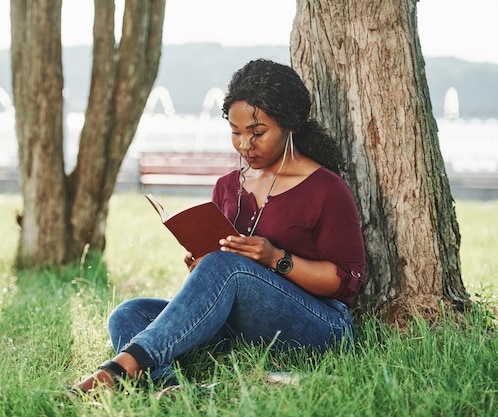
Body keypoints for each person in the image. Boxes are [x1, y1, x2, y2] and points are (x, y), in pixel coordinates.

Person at [67, 58, 365, 397]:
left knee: (229, 268)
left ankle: (121, 368)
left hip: (319, 327)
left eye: (257, 133)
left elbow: (345, 283)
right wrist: (201, 268)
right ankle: (171, 390)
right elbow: (223, 271)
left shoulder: (326, 189)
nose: (244, 145)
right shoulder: (227, 186)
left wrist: (275, 258)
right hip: (241, 328)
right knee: (129, 314)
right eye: (236, 133)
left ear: (289, 126)